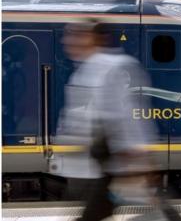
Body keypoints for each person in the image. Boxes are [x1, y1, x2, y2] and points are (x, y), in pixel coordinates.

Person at [57, 19, 155, 221]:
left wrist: (137, 156)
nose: (68, 40)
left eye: (76, 34)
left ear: (93, 38)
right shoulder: (85, 70)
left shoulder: (114, 67)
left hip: (112, 159)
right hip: (98, 163)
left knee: (95, 214)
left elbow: (125, 114)